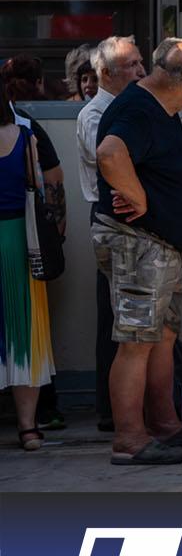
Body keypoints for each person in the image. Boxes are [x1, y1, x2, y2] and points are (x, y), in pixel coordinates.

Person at [93, 38, 182, 466]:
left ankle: (163, 425)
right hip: (139, 245)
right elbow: (109, 153)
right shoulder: (138, 108)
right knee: (137, 341)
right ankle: (129, 438)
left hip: (159, 248)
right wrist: (139, 198)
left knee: (161, 337)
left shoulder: (158, 107)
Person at [77, 35, 143, 431]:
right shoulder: (94, 115)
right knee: (117, 319)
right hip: (113, 220)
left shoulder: (132, 108)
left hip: (136, 219)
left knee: (139, 322)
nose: (140, 72)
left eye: (140, 63)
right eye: (131, 65)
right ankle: (112, 412)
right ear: (104, 74)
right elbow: (115, 166)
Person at [2, 83, 60, 450]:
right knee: (26, 335)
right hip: (21, 242)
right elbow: (42, 186)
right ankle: (28, 428)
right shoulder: (25, 136)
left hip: (16, 241)